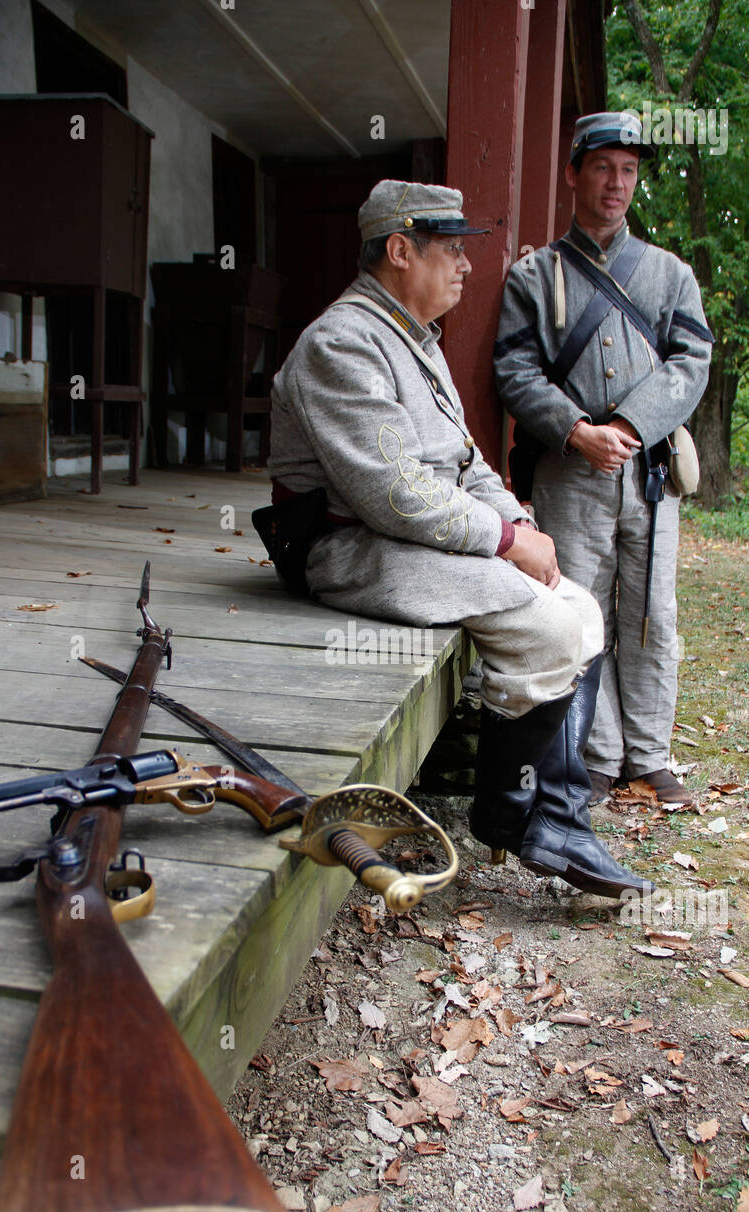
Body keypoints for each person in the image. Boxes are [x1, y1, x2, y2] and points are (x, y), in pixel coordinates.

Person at [266, 178, 651, 898]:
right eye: (450, 249)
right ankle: (513, 817)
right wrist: (507, 541)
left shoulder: (415, 340)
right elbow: (396, 494)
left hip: (409, 538)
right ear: (400, 251)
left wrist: (523, 524)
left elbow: (467, 462)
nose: (467, 264)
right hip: (345, 548)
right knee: (545, 629)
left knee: (582, 611)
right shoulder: (341, 343)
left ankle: (557, 815)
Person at [494, 113, 714, 807]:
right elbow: (516, 369)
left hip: (649, 476)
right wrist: (576, 430)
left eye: (628, 170)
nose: (616, 183)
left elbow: (692, 362)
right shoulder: (534, 275)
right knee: (579, 612)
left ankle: (648, 754)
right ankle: (595, 753)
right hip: (569, 471)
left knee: (652, 612)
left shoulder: (670, 275)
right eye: (602, 168)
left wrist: (627, 424)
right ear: (573, 174)